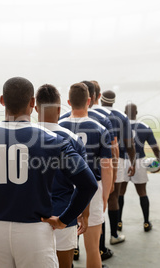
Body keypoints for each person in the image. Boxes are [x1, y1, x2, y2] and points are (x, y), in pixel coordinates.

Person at [0, 77, 98, 268]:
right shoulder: (54, 140)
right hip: (36, 234)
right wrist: (64, 219)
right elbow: (88, 184)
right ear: (32, 103)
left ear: (2, 100)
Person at [35, 84, 94, 268]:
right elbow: (84, 183)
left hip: (32, 217)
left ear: (36, 108)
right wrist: (84, 214)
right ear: (60, 109)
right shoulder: (73, 140)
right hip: (64, 214)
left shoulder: (26, 136)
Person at [60, 80, 118, 261]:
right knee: (93, 249)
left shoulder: (59, 126)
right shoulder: (99, 128)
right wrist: (106, 195)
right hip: (92, 188)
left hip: (64, 190)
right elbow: (106, 167)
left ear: (68, 102)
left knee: (61, 250)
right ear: (89, 101)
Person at [119, 103, 160, 232]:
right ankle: (146, 222)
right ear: (136, 112)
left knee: (120, 193)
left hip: (123, 161)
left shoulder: (120, 127)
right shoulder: (144, 127)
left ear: (124, 112)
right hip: (139, 161)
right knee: (142, 192)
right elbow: (155, 148)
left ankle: (118, 222)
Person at [100, 90, 136, 240]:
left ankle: (91, 242)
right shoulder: (122, 116)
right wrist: (132, 162)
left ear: (101, 100)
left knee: (95, 199)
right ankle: (114, 235)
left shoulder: (94, 113)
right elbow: (129, 143)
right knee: (113, 197)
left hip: (96, 159)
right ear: (114, 101)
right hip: (117, 158)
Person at [90, 81, 119, 260]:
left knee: (73, 213)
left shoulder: (65, 118)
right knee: (98, 215)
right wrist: (112, 179)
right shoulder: (105, 118)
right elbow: (113, 150)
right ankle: (101, 250)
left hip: (72, 177)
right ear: (97, 96)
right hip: (97, 175)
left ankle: (74, 250)